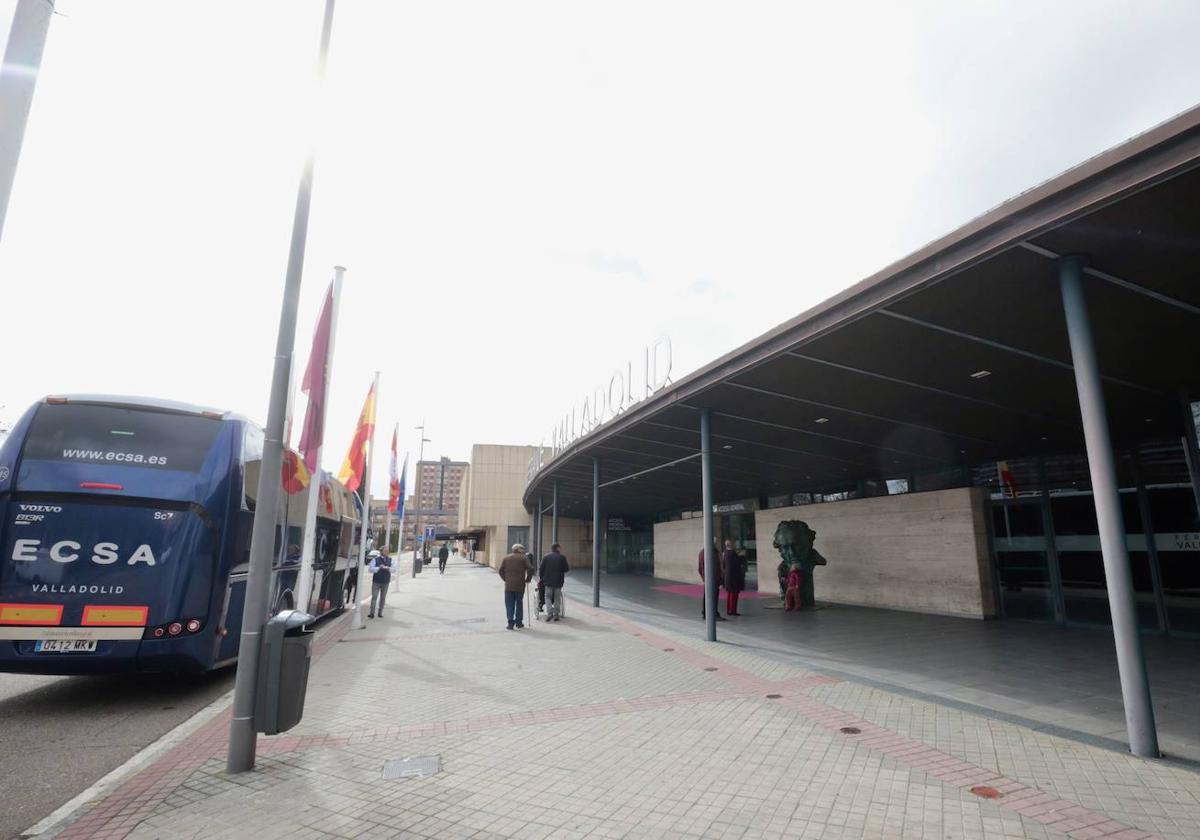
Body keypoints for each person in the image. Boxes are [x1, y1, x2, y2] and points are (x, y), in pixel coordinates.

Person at [498, 543, 533, 629]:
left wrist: (505, 579)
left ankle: (510, 622)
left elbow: (500, 570)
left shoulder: (506, 558)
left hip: (509, 586)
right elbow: (531, 568)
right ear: (519, 549)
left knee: (509, 604)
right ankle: (519, 622)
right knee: (519, 604)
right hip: (520, 585)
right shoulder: (524, 558)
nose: (524, 550)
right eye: (522, 549)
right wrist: (528, 579)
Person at [539, 543, 569, 622]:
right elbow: (566, 569)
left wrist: (542, 578)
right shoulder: (562, 557)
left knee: (547, 597)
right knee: (557, 598)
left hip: (548, 582)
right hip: (558, 582)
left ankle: (549, 613)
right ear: (558, 548)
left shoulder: (546, 557)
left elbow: (541, 569)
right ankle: (556, 615)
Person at [697, 543, 726, 621]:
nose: (716, 543)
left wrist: (704, 578)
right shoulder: (711, 552)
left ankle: (706, 613)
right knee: (713, 597)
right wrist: (719, 580)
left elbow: (700, 568)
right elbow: (716, 568)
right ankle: (712, 614)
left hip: (710, 579)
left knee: (707, 596)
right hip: (713, 579)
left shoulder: (703, 552)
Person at [722, 539, 746, 616]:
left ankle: (729, 609)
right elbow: (738, 563)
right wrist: (742, 556)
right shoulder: (732, 553)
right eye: (734, 543)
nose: (735, 545)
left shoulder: (725, 553)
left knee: (729, 594)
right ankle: (733, 610)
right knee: (734, 594)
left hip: (728, 577)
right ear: (731, 545)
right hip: (734, 577)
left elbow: (724, 565)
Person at [368, 549, 393, 618]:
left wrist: (388, 568)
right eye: (385, 551)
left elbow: (394, 569)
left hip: (386, 582)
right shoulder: (375, 560)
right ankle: (372, 613)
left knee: (383, 598)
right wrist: (379, 568)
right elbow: (370, 569)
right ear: (381, 552)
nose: (387, 552)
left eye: (387, 551)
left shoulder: (390, 560)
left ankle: (380, 612)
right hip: (376, 581)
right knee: (374, 597)